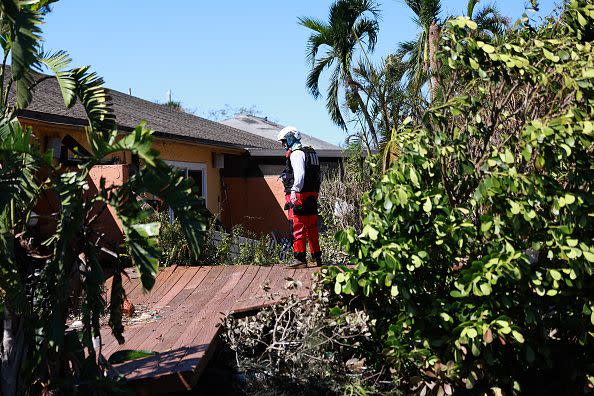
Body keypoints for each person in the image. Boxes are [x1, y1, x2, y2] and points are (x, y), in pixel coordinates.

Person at [277, 126, 322, 268]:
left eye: (284, 141)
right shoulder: (310, 153)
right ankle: (316, 256)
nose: (283, 145)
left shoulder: (296, 154)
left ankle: (300, 259)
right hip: (312, 195)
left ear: (290, 138)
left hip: (300, 195)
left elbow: (300, 175)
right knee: (311, 227)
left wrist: (294, 191)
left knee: (297, 226)